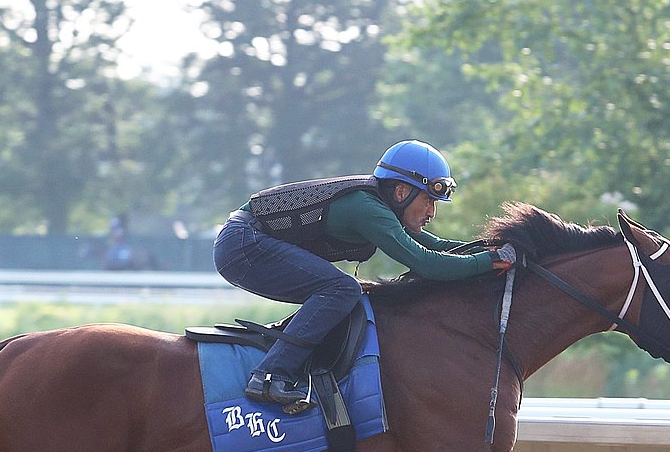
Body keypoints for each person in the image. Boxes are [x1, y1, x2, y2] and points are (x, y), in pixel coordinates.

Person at [213, 140, 516, 410]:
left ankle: (290, 366)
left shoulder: (380, 206)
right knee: (342, 289)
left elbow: (436, 246)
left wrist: (493, 249)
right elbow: (428, 264)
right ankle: (270, 375)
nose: (432, 212)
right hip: (242, 245)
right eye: (429, 200)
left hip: (245, 242)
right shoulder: (366, 209)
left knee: (342, 291)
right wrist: (490, 263)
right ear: (401, 191)